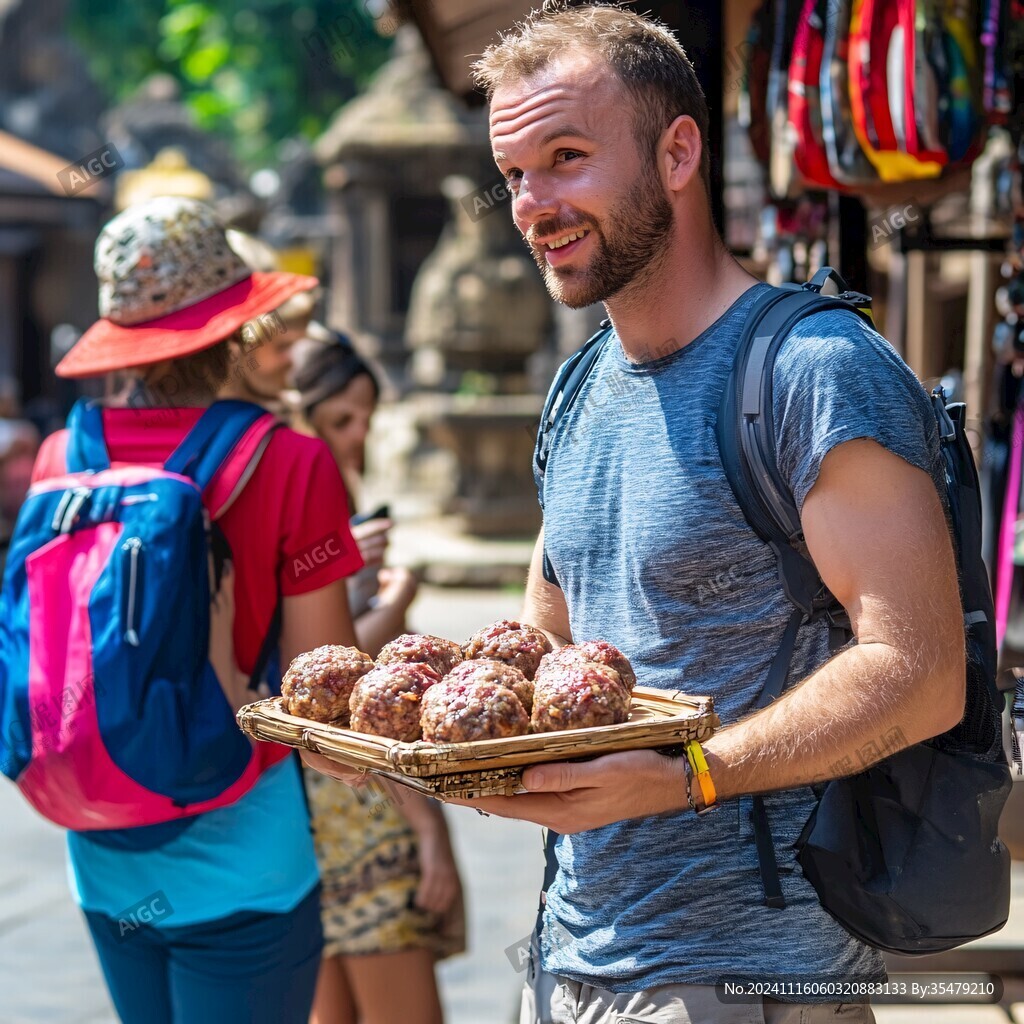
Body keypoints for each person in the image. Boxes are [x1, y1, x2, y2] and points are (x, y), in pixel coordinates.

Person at [306, 4, 966, 1023]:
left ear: (677, 152)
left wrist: (686, 776)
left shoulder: (813, 371)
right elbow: (539, 654)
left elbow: (919, 676)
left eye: (566, 157)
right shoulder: (576, 391)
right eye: (516, 173)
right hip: (570, 957)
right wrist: (407, 707)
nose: (531, 203)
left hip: (749, 975)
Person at [31, 195, 364, 1024]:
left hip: (103, 843)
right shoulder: (292, 462)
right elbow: (322, 698)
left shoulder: (59, 457)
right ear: (233, 325)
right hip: (245, 860)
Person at [286, 326, 464, 1024]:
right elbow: (324, 680)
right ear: (300, 414)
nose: (356, 437)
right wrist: (394, 601)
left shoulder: (294, 493)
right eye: (339, 421)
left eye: (365, 419)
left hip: (302, 809)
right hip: (353, 798)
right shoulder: (300, 497)